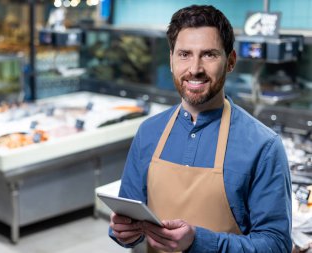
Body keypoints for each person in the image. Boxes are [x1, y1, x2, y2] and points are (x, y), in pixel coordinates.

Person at [109, 4, 292, 253]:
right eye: (184, 54)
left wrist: (199, 242)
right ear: (171, 60)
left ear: (231, 62)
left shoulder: (263, 146)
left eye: (209, 54)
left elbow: (276, 245)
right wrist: (123, 233)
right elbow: (129, 216)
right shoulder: (148, 132)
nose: (195, 68)